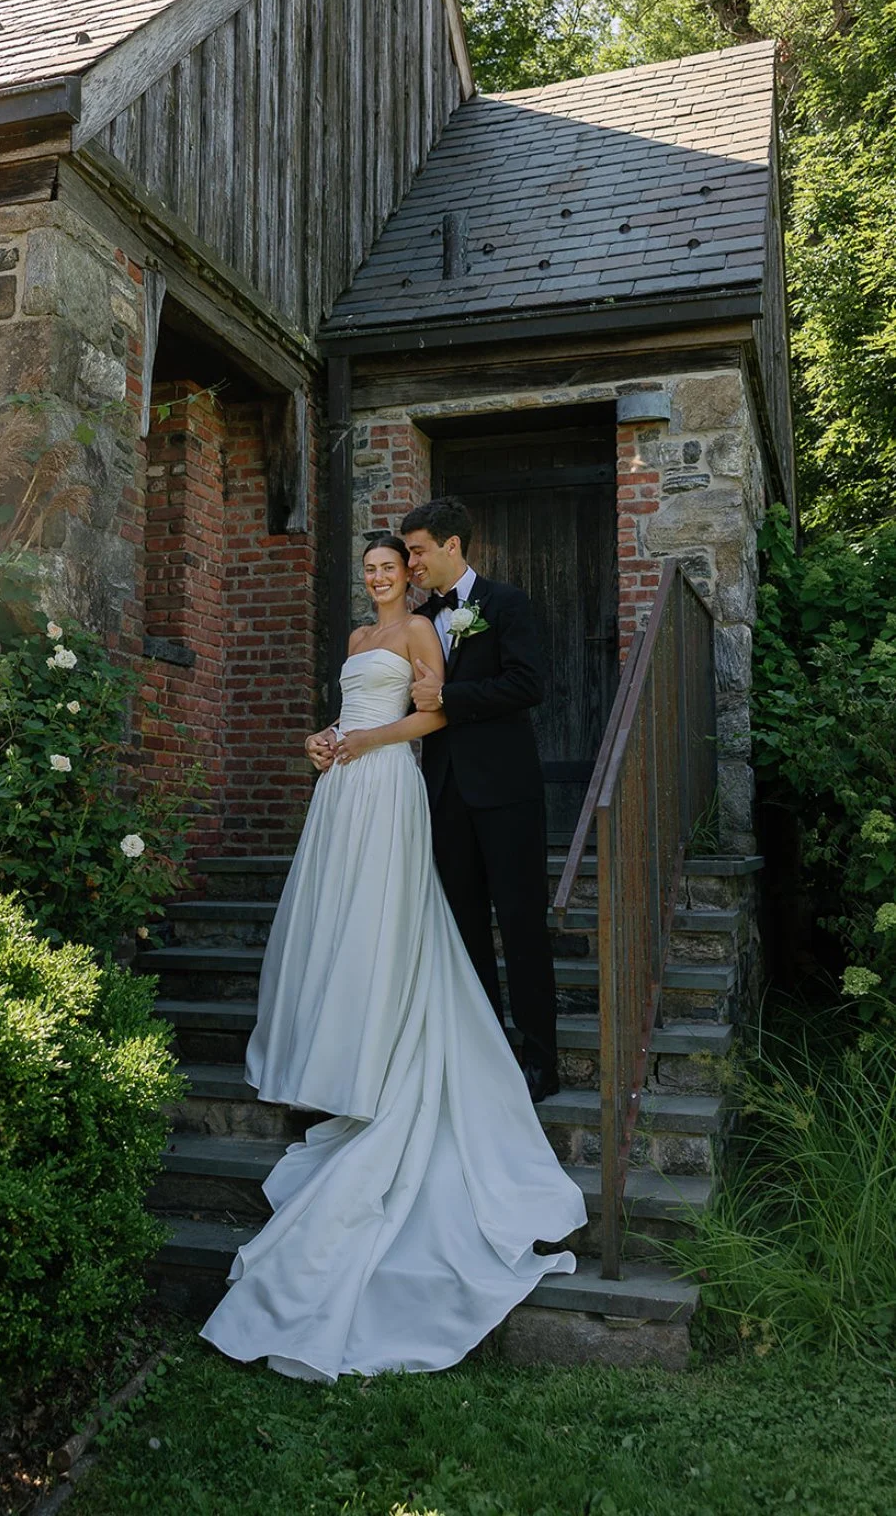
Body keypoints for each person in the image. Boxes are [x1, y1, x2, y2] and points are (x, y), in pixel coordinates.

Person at [200, 535, 585, 1382]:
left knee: (392, 912)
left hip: (391, 783)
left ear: (412, 571)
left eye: (391, 567)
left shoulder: (421, 632)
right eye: (371, 569)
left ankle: (394, 1040)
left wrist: (370, 744)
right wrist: (325, 739)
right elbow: (354, 713)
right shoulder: (351, 642)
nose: (380, 577)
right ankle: (329, 1035)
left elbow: (435, 713)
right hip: (343, 787)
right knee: (336, 914)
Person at [400, 497, 560, 1104]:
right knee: (464, 929)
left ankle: (541, 1061)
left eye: (417, 550)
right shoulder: (423, 618)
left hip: (507, 791)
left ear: (451, 546)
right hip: (444, 794)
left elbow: (528, 684)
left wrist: (451, 697)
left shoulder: (506, 603)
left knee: (521, 926)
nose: (411, 562)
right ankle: (487, 1052)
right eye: (408, 551)